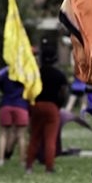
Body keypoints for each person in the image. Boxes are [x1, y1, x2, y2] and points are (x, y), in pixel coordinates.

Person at [25, 43, 68, 173]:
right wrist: (60, 104)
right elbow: (63, 92)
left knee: (34, 137)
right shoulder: (59, 75)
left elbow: (29, 90)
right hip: (52, 107)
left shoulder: (36, 73)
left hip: (36, 105)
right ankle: (49, 167)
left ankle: (29, 166)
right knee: (50, 139)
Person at [0, 66, 29, 166]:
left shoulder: (5, 75)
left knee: (3, 134)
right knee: (21, 135)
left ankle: (1, 159)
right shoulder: (24, 75)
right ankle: (22, 160)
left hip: (6, 105)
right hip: (21, 105)